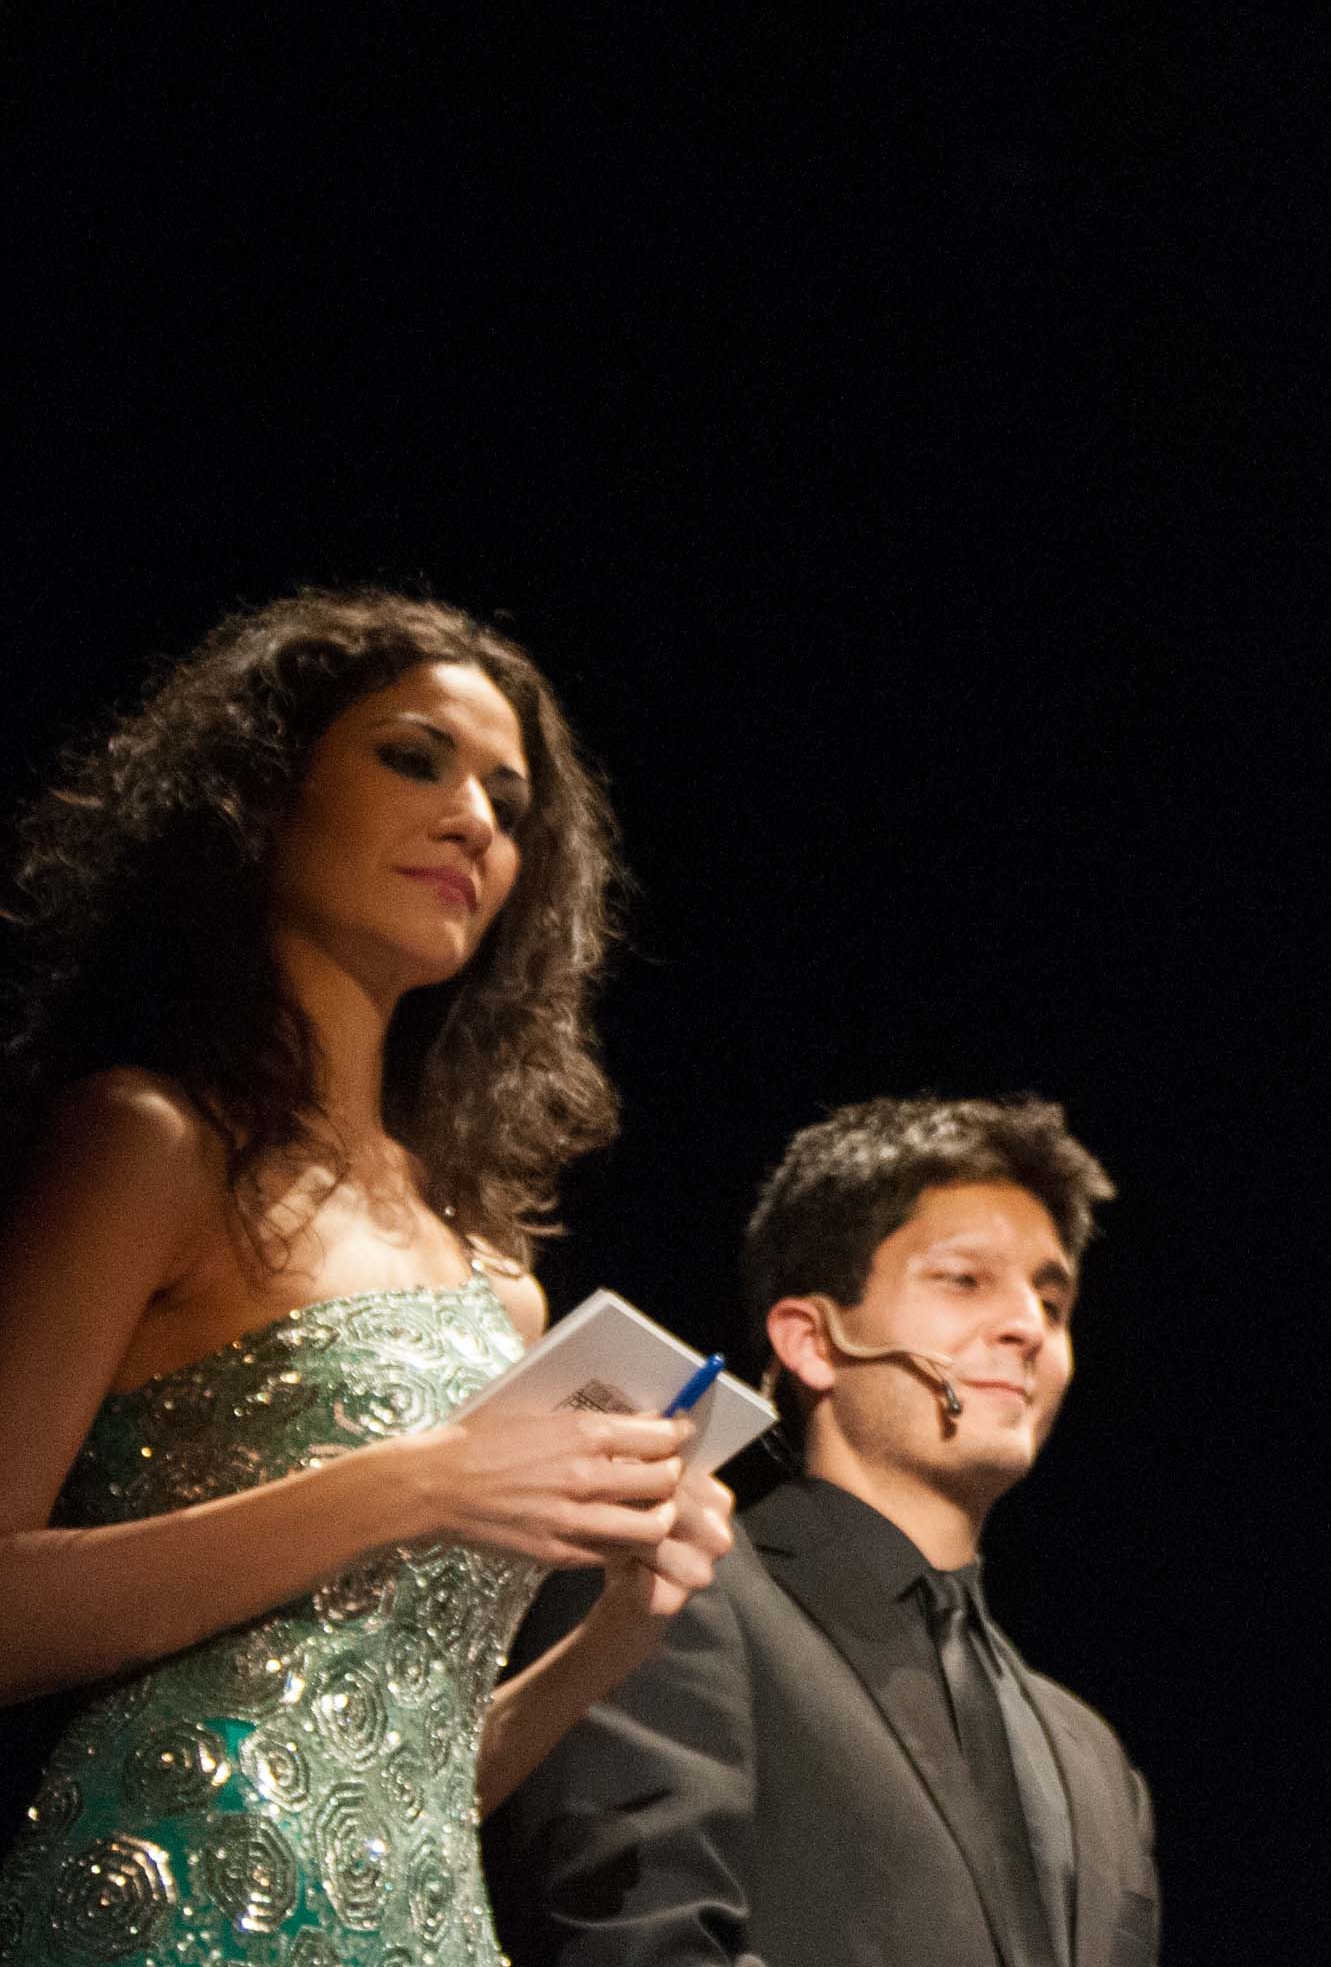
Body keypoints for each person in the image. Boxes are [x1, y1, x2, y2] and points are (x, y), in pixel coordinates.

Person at [0, 589, 736, 1966]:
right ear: (259, 792)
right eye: (415, 759)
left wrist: (616, 1639)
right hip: (168, 1913)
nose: (475, 824)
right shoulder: (151, 1145)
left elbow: (405, 1783)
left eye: (509, 807)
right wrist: (421, 1481)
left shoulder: (499, 1282)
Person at [484, 1094, 1158, 1967]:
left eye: (1053, 1302)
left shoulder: (1098, 1765)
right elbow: (639, 1945)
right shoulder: (668, 1593)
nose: (1028, 1326)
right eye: (965, 1280)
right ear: (812, 1341)